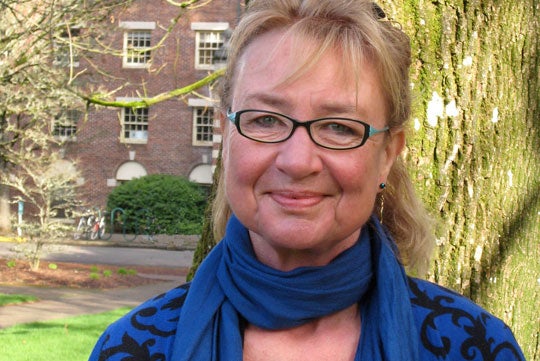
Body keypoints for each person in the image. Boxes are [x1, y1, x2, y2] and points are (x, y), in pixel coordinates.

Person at [89, 0, 525, 360]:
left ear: (388, 154)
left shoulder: (473, 346)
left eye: (339, 127)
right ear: (226, 137)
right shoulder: (134, 348)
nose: (298, 161)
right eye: (265, 120)